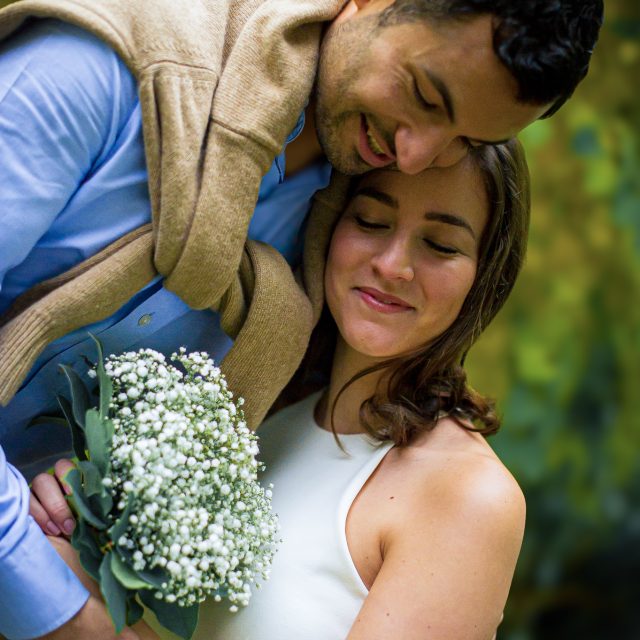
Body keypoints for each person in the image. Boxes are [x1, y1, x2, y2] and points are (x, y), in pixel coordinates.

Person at [0, 0, 603, 637]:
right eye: (425, 96)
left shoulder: (293, 288)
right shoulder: (103, 71)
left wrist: (76, 548)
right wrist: (58, 586)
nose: (417, 156)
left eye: (468, 142)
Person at [32, 137, 531, 638]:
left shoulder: (469, 498)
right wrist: (73, 540)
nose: (392, 264)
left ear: (486, 276)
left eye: (441, 245)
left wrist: (68, 605)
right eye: (371, 221)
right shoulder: (254, 412)